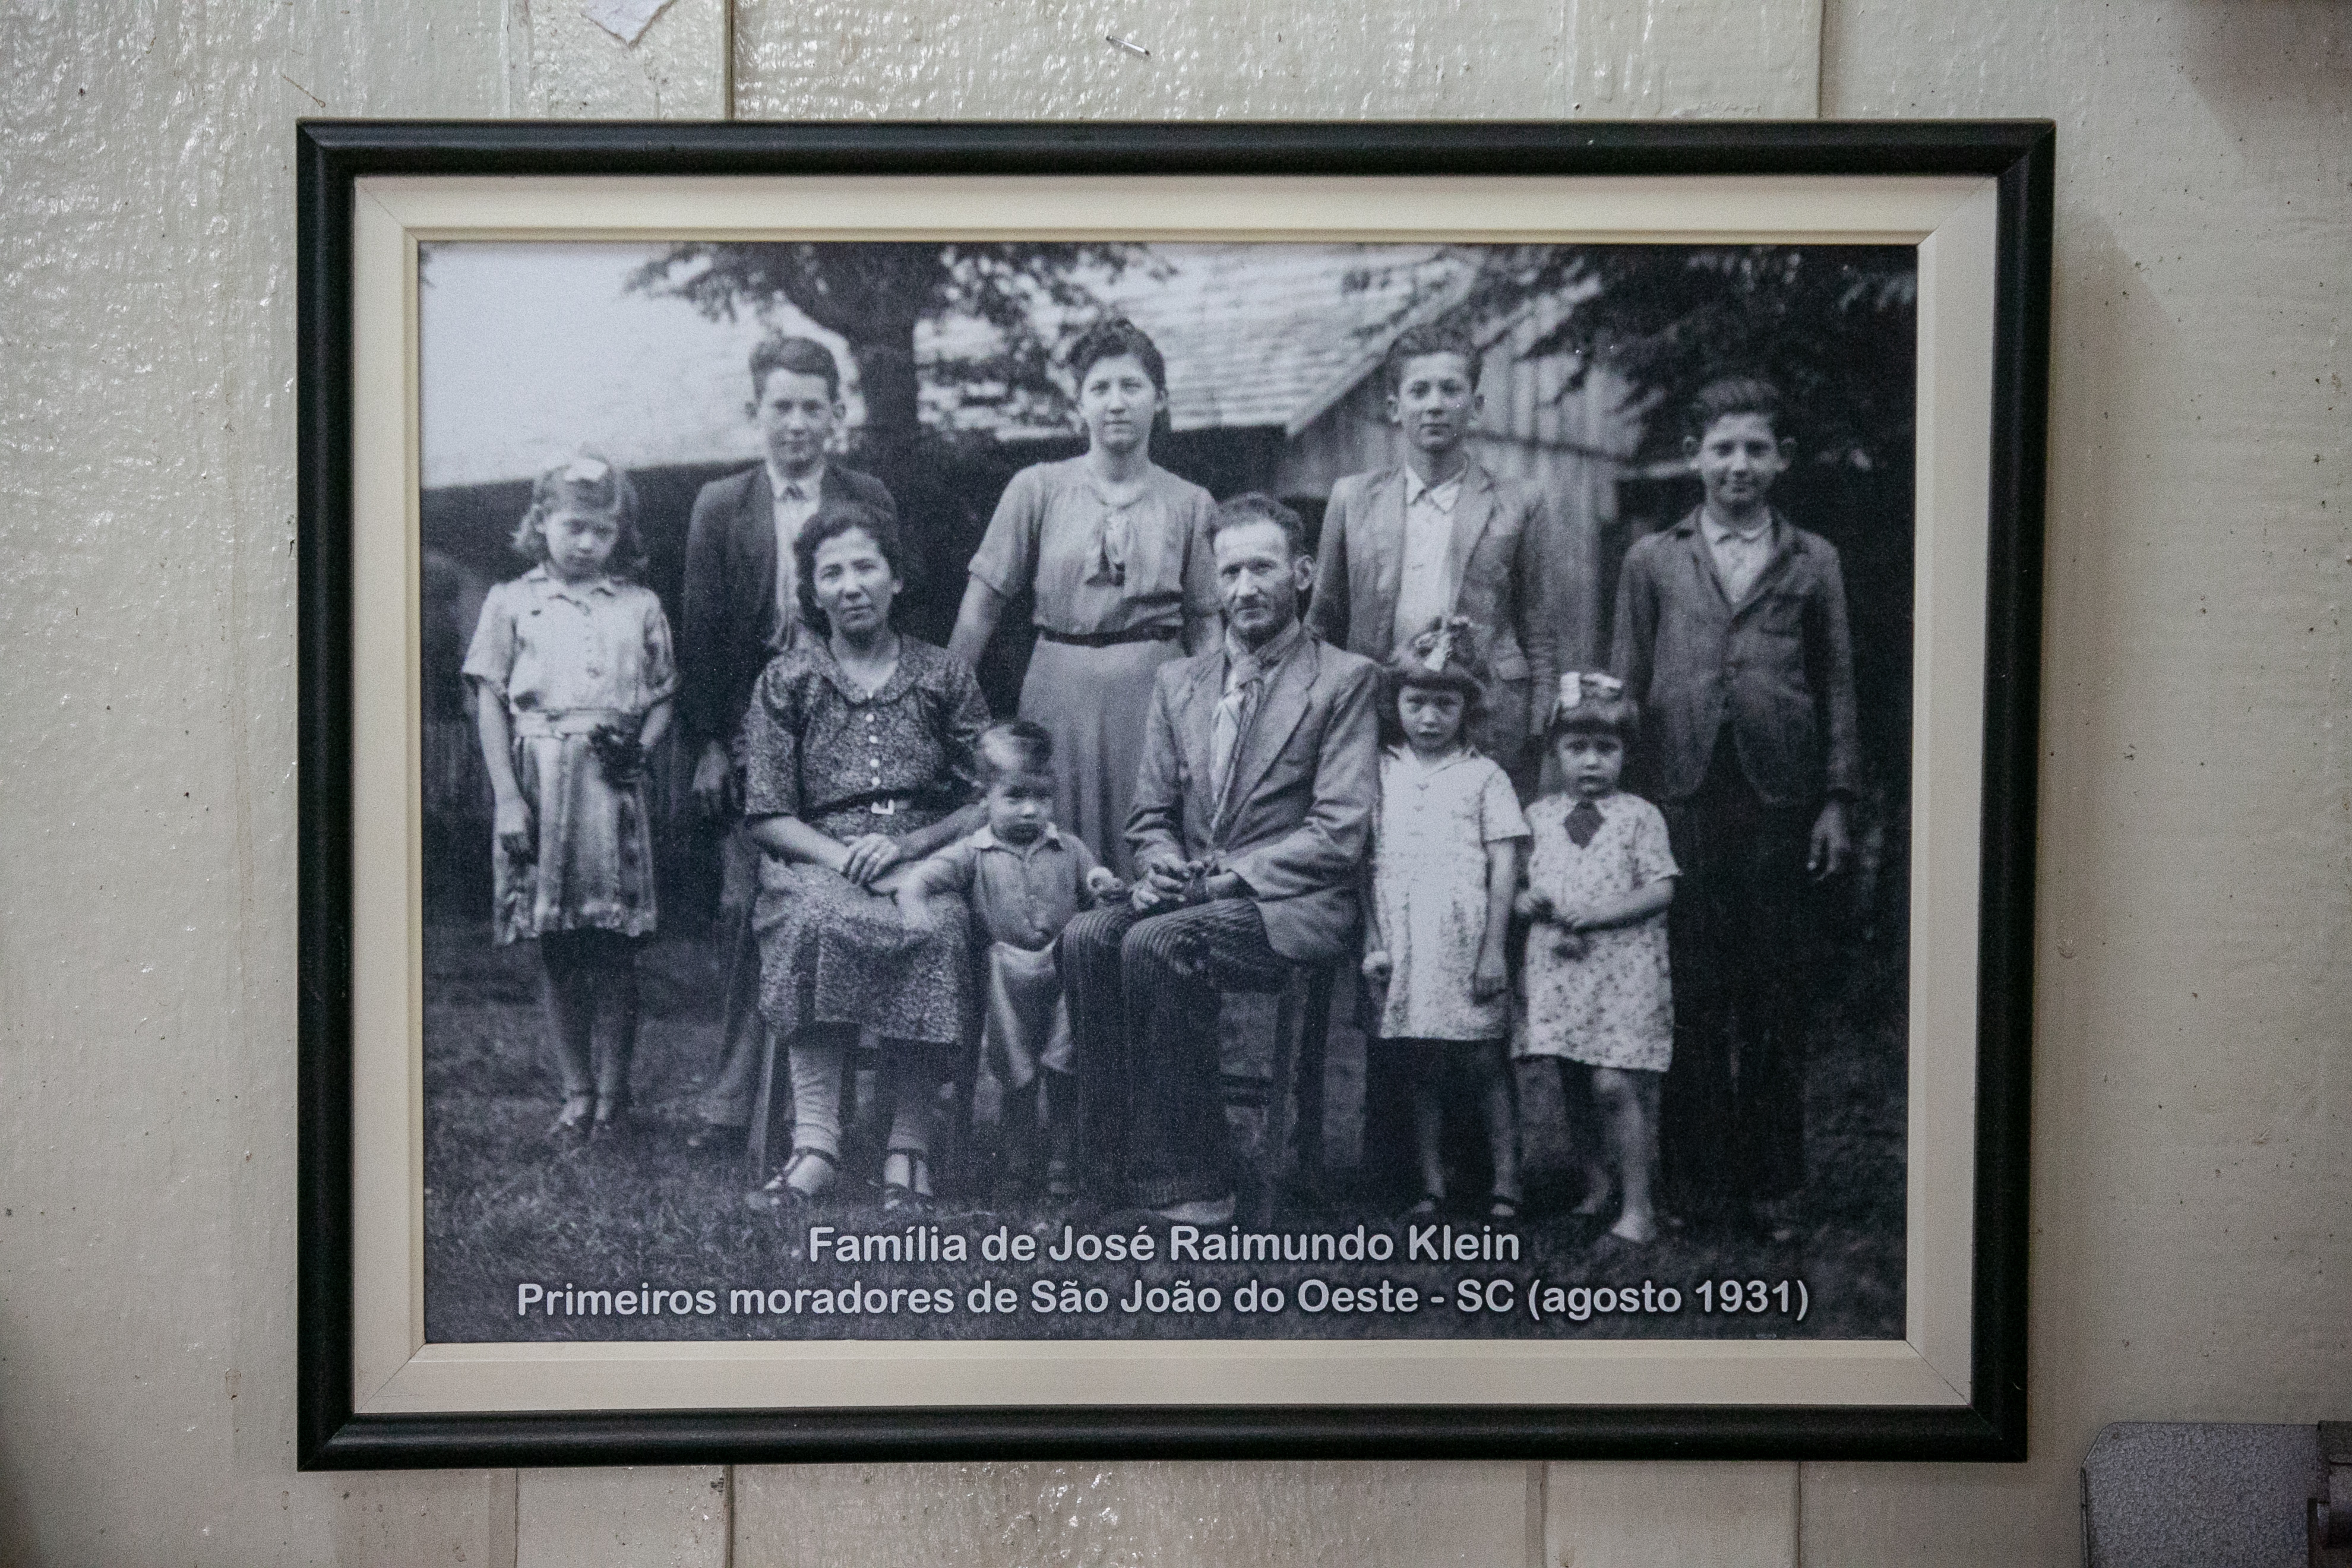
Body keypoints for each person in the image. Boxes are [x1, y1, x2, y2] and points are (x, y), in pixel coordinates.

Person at [1058, 493, 1381, 1223]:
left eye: (1262, 568)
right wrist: (1163, 861)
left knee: (1156, 942)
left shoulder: (1344, 680)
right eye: (1230, 572)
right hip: (1195, 895)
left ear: (1301, 574)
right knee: (1084, 937)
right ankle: (1105, 1171)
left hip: (1290, 903)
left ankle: (1196, 1185)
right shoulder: (1181, 683)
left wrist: (1228, 879)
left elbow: (1338, 832)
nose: (1244, 589)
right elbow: (1149, 818)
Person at [1608, 375, 1858, 1236]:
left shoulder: (1813, 559)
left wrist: (1835, 799)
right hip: (1680, 795)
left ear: (1782, 460)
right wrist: (1624, 809)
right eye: (1723, 448)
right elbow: (1627, 683)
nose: (1739, 465)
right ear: (1694, 457)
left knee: (1775, 995)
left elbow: (1838, 685)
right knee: (1691, 992)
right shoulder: (1653, 558)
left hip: (1779, 797)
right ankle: (1698, 1185)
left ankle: (1774, 1185)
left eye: (1756, 449)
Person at [679, 334, 901, 1152]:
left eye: (814, 407)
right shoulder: (721, 505)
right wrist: (710, 743)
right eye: (782, 407)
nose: (798, 424)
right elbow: (700, 633)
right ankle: (735, 1104)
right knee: (753, 907)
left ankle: (829, 1110)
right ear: (756, 412)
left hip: (847, 720)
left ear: (838, 415)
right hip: (752, 726)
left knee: (845, 903)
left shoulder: (868, 495)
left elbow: (884, 613)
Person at [738, 508, 990, 1213]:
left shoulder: (944, 675)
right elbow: (766, 812)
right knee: (814, 919)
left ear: (897, 578)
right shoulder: (787, 680)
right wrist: (843, 856)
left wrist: (911, 850)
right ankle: (816, 1144)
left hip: (922, 857)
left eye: (866, 567)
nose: (851, 586)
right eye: (832, 573)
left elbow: (987, 798)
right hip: (817, 856)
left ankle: (907, 1147)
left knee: (935, 929)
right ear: (814, 592)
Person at [947, 318, 1219, 874]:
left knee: (1152, 845)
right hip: (1057, 692)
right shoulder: (1037, 488)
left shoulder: (1191, 503)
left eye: (1131, 386)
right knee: (1050, 845)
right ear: (1080, 404)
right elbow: (982, 607)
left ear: (1160, 400)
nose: (1115, 403)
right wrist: (948, 705)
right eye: (1099, 389)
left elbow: (1207, 626)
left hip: (1155, 696)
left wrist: (1209, 720)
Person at [461, 454, 677, 1143]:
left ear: (621, 536)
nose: (586, 543)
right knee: (557, 946)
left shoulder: (639, 605)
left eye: (603, 532)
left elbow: (665, 695)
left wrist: (640, 747)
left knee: (613, 947)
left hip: (609, 787)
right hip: (539, 782)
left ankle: (615, 1098)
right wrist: (507, 799)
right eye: (573, 526)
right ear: (542, 523)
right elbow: (489, 701)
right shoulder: (511, 601)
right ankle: (575, 1092)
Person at [1307, 322, 1569, 791]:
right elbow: (1322, 620)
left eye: (1451, 390)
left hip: (1488, 708)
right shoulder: (1352, 499)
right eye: (1419, 391)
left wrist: (1537, 726)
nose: (1434, 405)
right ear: (1395, 408)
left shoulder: (1520, 501)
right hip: (1380, 706)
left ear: (1476, 407)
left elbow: (1540, 630)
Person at [896, 720, 1126, 1199]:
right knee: (1016, 1073)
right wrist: (915, 914)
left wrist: (1102, 884)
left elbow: (1094, 877)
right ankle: (1016, 1162)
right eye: (1014, 797)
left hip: (1065, 972)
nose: (1029, 811)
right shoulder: (974, 851)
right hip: (1007, 978)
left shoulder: (1067, 846)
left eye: (1041, 799)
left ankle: (1064, 1156)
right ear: (985, 798)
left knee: (1065, 1066)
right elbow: (917, 880)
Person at [1359, 618, 1531, 1219]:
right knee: (1420, 1063)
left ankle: (1507, 1183)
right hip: (1404, 934)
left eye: (1444, 705)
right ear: (1397, 703)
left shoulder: (1483, 775)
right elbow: (1363, 860)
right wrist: (1373, 939)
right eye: (1416, 703)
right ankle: (1431, 1185)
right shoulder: (1380, 770)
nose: (1429, 718)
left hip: (1464, 935)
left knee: (1484, 1059)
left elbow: (1505, 864)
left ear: (1467, 707)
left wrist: (1493, 950)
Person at [1515, 673, 1679, 1243]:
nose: (1591, 763)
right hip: (1561, 969)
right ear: (1556, 752)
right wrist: (1526, 901)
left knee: (1615, 1085)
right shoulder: (1537, 817)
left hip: (1621, 968)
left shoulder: (1640, 817)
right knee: (1576, 1081)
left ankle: (1640, 1206)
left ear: (1625, 755)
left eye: (1605, 750)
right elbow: (1518, 889)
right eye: (1576, 749)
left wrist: (1602, 913)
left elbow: (1662, 890)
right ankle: (1596, 1185)